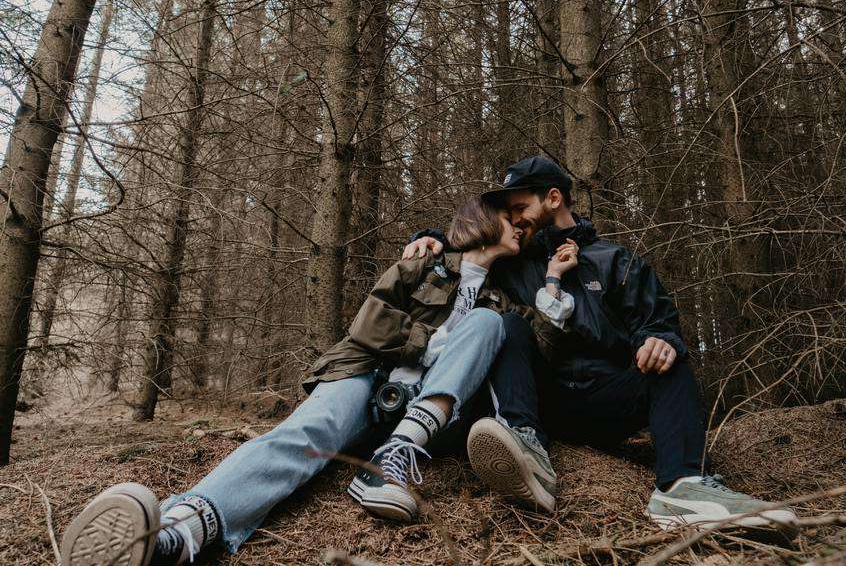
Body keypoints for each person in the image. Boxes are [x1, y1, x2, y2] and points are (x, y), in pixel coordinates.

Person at [60, 196, 579, 566]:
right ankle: (179, 534)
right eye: (510, 220)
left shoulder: (496, 303)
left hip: (426, 418)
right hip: (365, 376)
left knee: (488, 323)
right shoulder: (422, 265)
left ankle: (395, 456)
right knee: (305, 434)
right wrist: (435, 342)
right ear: (481, 222)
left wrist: (554, 282)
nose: (520, 228)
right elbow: (370, 325)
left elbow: (535, 353)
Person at [403, 156, 797, 532]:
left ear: (553, 198)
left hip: (608, 401)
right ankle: (526, 449)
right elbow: (470, 251)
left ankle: (683, 489)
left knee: (671, 359)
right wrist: (430, 239)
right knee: (506, 324)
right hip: (540, 400)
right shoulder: (513, 262)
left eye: (521, 207)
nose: (515, 219)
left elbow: (656, 320)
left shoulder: (616, 261)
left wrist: (657, 341)